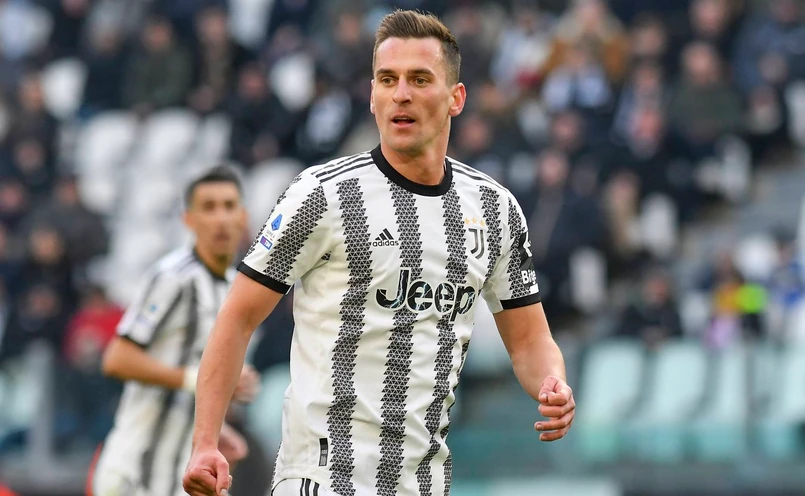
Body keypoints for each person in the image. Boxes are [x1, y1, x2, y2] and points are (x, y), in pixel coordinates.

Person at [184, 10, 576, 496]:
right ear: (372, 96)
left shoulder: (494, 209)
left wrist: (552, 382)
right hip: (322, 479)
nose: (401, 94)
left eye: (419, 79)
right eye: (388, 80)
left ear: (456, 98)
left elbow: (529, 340)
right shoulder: (322, 194)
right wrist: (205, 442)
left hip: (423, 483)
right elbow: (238, 317)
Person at [93, 165, 261, 496]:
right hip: (136, 472)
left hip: (181, 473)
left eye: (229, 206)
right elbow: (116, 359)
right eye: (209, 208)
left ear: (243, 217)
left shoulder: (233, 287)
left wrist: (219, 429)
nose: (221, 219)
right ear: (189, 219)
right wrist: (199, 379)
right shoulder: (173, 277)